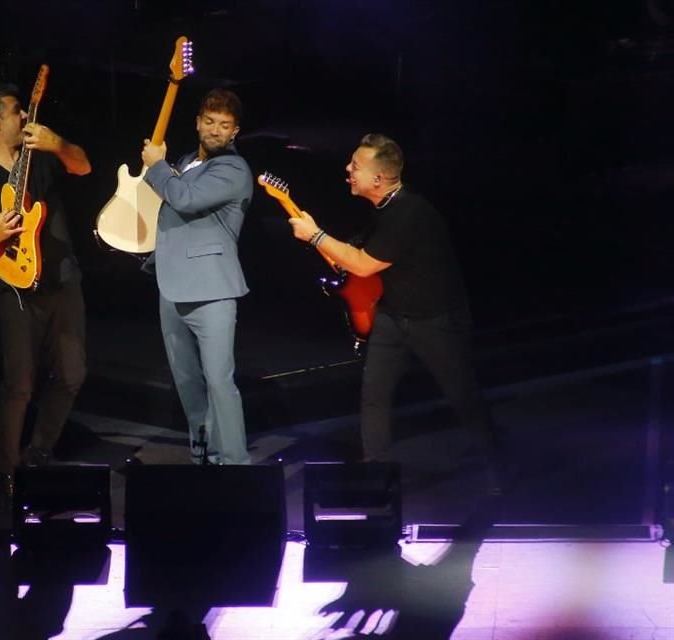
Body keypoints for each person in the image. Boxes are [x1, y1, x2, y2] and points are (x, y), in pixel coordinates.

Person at [287, 133, 507, 490]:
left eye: (355, 166)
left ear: (378, 178)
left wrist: (315, 236)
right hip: (392, 315)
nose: (347, 169)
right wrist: (317, 234)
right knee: (374, 396)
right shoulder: (384, 210)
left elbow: (362, 265)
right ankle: (378, 477)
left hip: (435, 320)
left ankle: (497, 470)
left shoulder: (409, 213)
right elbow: (350, 261)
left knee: (462, 395)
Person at [0, 82, 92, 510]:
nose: (25, 117)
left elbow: (84, 166)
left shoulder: (41, 157)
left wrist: (59, 144)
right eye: (17, 111)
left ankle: (39, 453)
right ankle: (4, 475)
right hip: (14, 291)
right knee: (19, 386)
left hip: (62, 282)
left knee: (71, 375)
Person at [139, 88, 253, 465]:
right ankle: (202, 450)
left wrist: (157, 165)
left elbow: (185, 199)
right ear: (198, 123)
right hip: (171, 286)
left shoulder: (233, 169)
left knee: (219, 381)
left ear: (235, 131)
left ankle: (235, 464)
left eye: (225, 125)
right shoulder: (187, 162)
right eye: (210, 121)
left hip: (212, 291)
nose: (216, 130)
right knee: (186, 380)